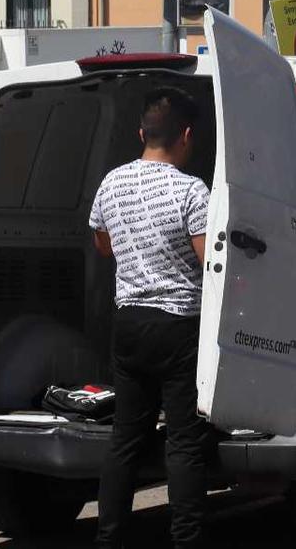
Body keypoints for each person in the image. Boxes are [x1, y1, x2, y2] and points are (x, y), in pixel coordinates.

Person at [90, 88, 210, 549]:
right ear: (185, 136)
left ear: (142, 133)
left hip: (130, 323)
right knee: (182, 440)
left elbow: (104, 244)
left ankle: (109, 537)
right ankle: (186, 539)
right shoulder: (190, 189)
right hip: (178, 325)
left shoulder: (112, 183)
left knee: (125, 438)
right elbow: (207, 261)